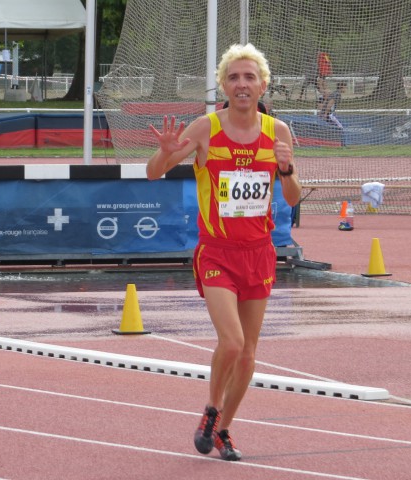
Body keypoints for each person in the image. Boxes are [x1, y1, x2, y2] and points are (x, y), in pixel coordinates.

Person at [147, 43, 301, 461]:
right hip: (216, 251)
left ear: (263, 85)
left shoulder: (278, 132)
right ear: (224, 86)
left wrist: (286, 169)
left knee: (250, 352)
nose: (242, 84)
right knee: (231, 343)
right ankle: (211, 411)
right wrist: (165, 149)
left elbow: (293, 194)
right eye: (234, 77)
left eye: (250, 77)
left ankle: (224, 429)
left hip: (258, 251)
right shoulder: (205, 128)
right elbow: (154, 172)